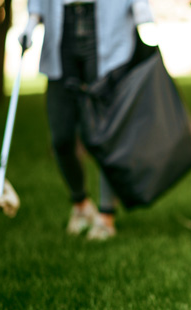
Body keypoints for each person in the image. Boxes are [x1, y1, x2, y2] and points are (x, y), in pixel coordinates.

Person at [18, 0, 158, 240]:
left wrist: (140, 11)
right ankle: (81, 204)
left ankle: (106, 216)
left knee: (105, 132)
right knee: (61, 138)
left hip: (106, 24)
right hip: (61, 31)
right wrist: (31, 22)